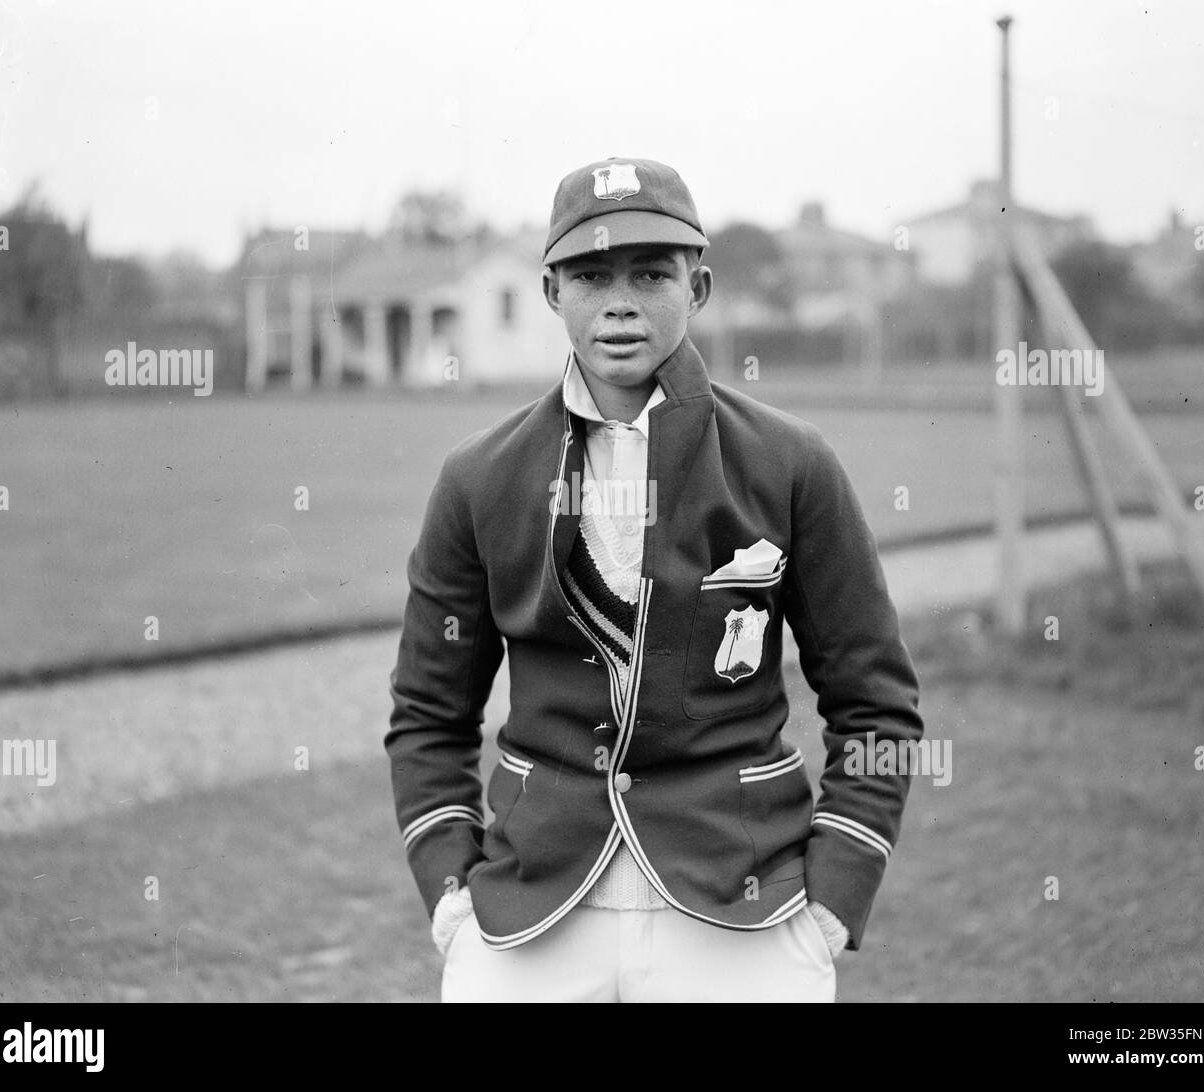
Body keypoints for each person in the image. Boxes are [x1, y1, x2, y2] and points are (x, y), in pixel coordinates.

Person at [385, 157, 925, 1002]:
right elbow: (427, 711)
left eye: (651, 272)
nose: (621, 300)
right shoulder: (478, 478)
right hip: (533, 909)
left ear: (698, 286)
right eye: (591, 275)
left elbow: (877, 701)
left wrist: (833, 899)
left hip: (743, 903)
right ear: (550, 291)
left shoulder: (789, 463)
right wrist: (451, 894)